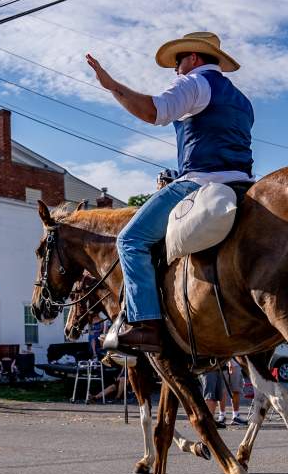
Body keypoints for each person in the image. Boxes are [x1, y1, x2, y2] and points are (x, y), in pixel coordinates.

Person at [86, 32, 253, 352]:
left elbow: (155, 111)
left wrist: (113, 87)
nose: (176, 69)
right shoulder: (242, 100)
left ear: (193, 58)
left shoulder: (193, 83)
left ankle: (146, 323)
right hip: (244, 183)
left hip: (202, 181)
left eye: (178, 61)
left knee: (130, 240)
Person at [218, 358, 248, 426]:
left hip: (235, 365)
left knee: (235, 391)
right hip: (223, 364)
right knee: (222, 391)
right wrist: (230, 363)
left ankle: (235, 416)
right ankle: (222, 416)